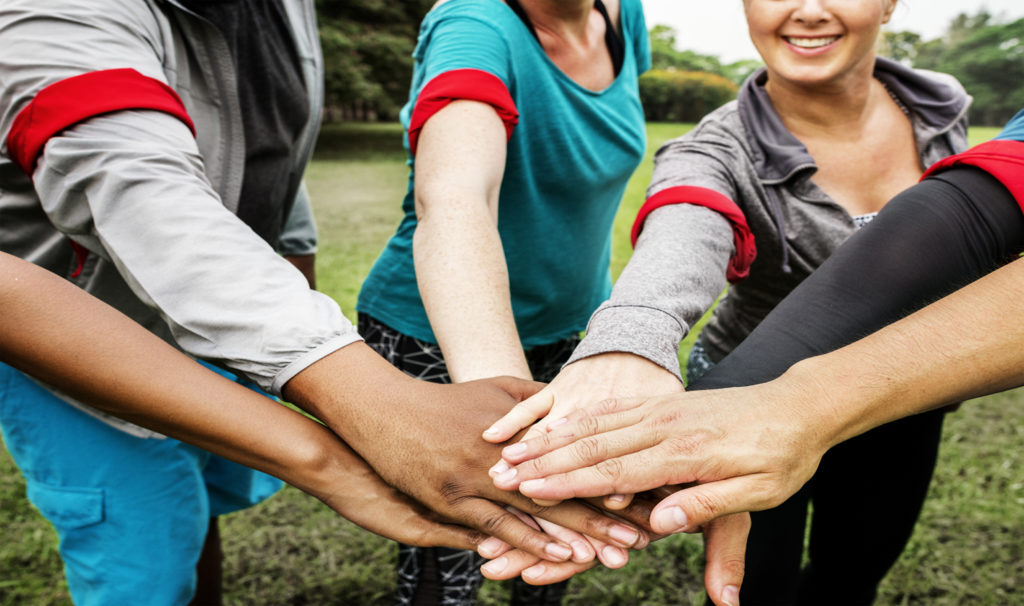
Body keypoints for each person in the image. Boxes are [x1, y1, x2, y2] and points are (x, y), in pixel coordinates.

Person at [0, 1, 654, 603]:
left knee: (192, 508)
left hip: (235, 315)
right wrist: (361, 405)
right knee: (144, 553)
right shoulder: (476, 26)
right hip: (79, 329)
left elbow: (259, 143)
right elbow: (139, 191)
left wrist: (297, 265)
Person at [486, 0, 973, 603]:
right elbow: (685, 222)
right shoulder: (713, 148)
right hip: (751, 397)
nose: (808, 10)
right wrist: (631, 338)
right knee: (757, 583)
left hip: (903, 389)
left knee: (854, 569)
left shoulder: (938, 103)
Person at [353, 0, 653, 603]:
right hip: (437, 339)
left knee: (561, 539)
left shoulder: (625, 16)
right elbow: (456, 198)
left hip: (569, 334)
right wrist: (502, 397)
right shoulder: (475, 24)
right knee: (460, 544)